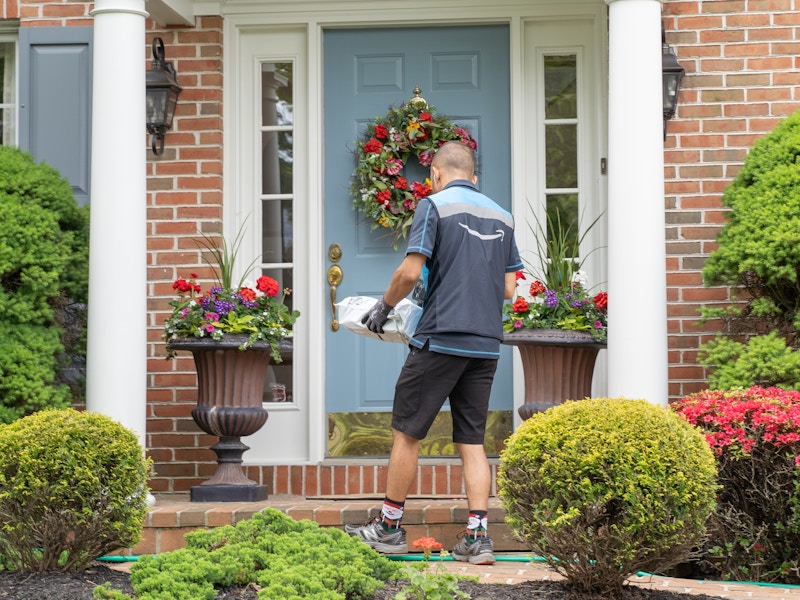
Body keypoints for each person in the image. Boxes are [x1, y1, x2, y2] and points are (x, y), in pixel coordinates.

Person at [345, 140, 523, 565]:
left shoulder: (434, 205)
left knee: (407, 432)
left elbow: (408, 270)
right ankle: (477, 537)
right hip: (484, 344)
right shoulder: (503, 215)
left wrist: (383, 309)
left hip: (441, 337)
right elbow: (508, 288)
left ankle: (388, 528)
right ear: (474, 177)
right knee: (472, 440)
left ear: (436, 175)